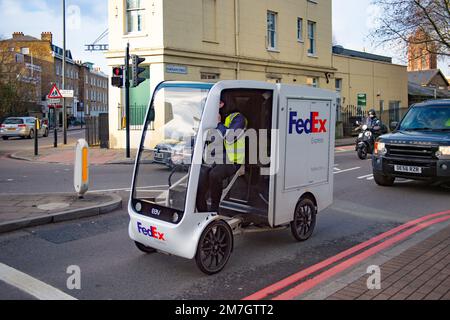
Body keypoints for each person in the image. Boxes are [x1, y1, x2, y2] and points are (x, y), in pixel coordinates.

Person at [196, 100, 248, 213]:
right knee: (198, 184)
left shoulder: (238, 118)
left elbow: (230, 137)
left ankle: (214, 210)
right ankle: (202, 214)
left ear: (223, 104)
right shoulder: (211, 116)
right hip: (215, 157)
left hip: (233, 160)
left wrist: (219, 123)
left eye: (218, 102)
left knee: (214, 175)